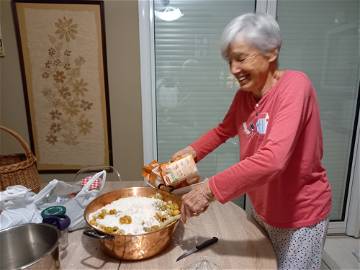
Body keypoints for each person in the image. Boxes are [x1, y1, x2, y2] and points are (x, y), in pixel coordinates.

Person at [172, 13, 332, 270]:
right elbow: (223, 131)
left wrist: (208, 189)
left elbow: (273, 159)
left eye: (241, 58)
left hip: (300, 216)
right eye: (230, 60)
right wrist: (191, 153)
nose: (233, 69)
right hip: (262, 207)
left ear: (271, 52)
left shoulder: (295, 86)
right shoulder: (244, 97)